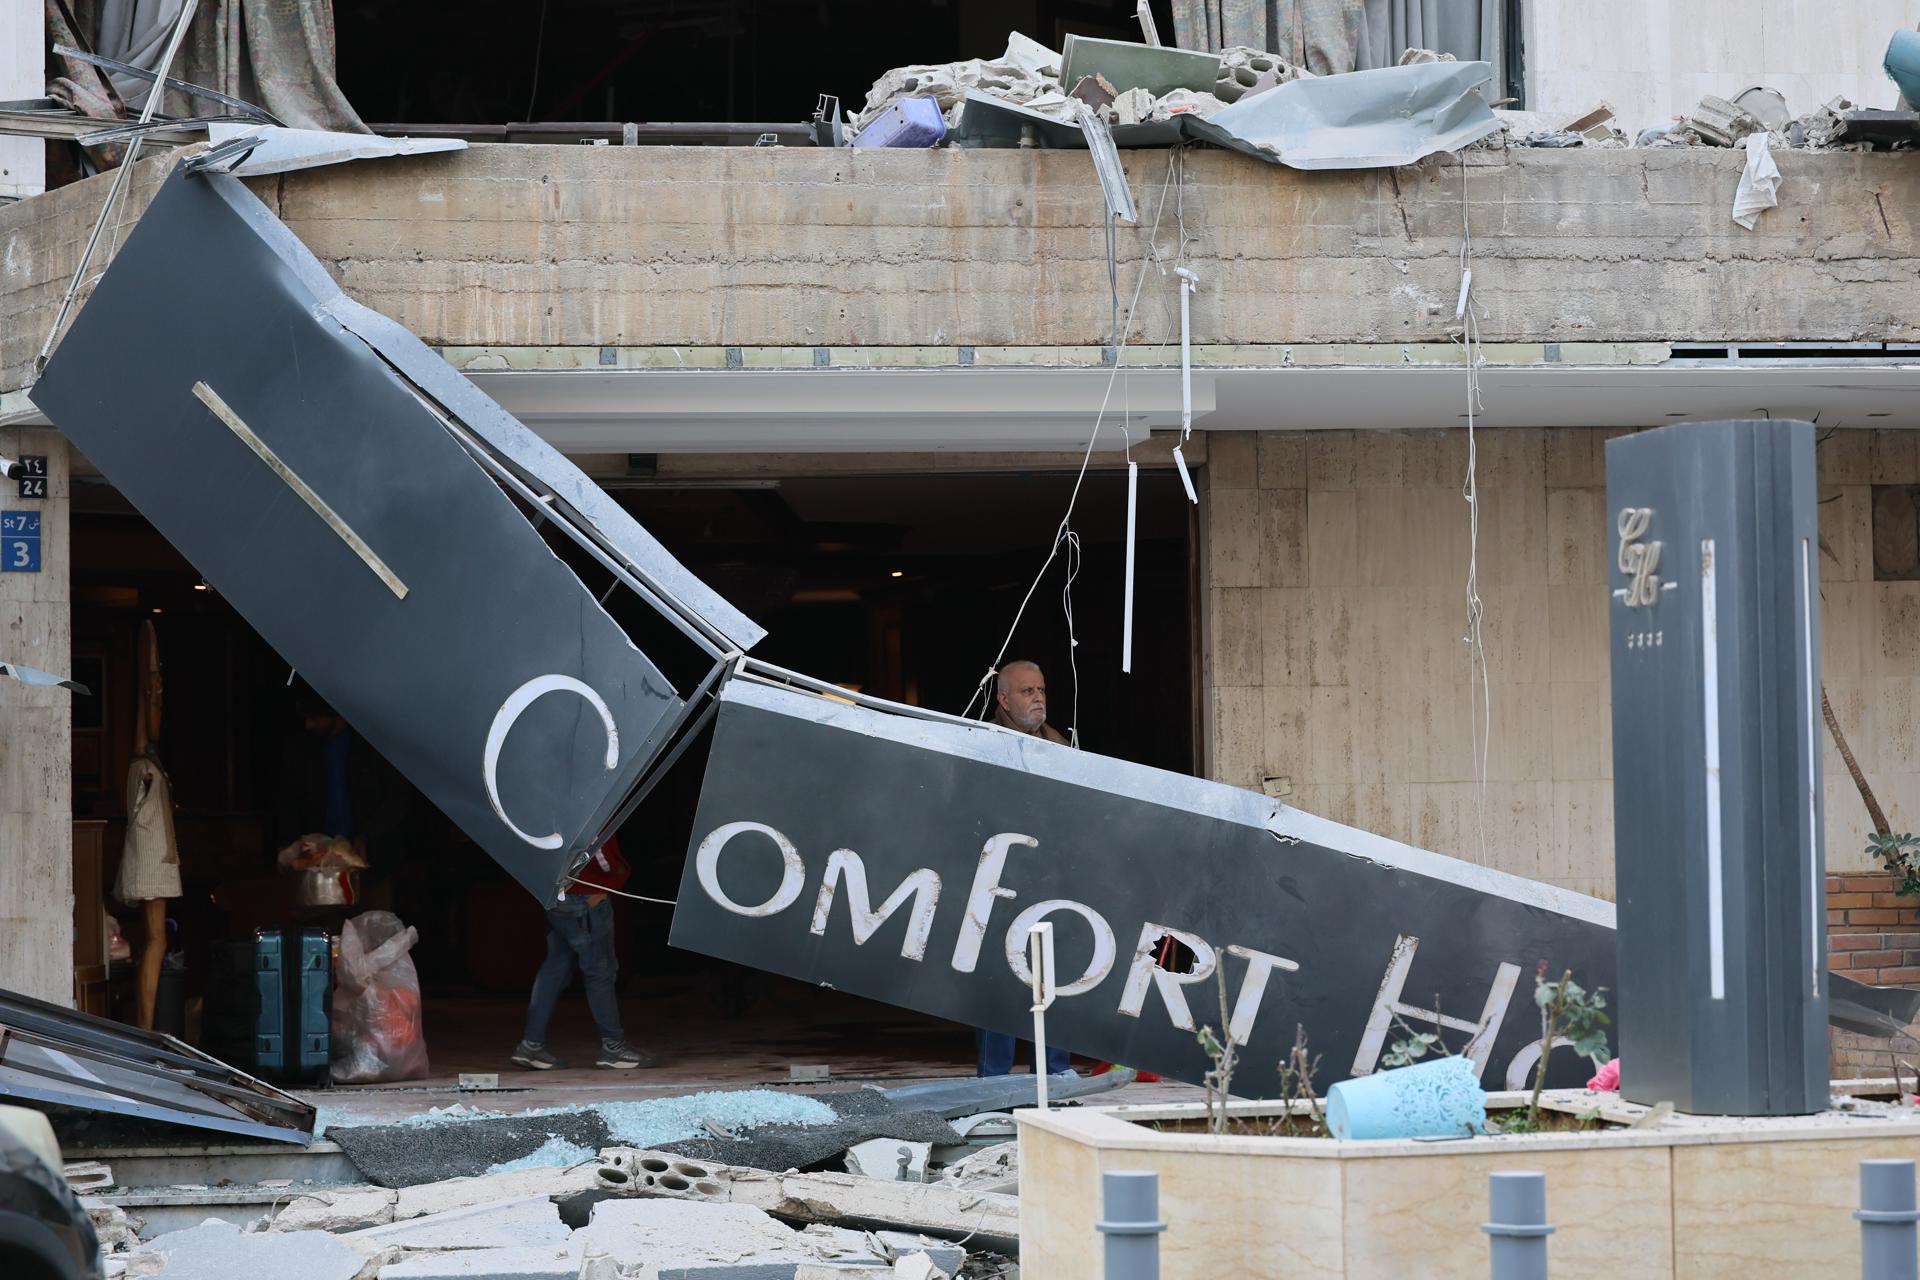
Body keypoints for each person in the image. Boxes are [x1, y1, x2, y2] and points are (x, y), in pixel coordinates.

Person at [977, 660, 1073, 1077]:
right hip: (997, 879)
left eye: (1041, 690)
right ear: (1003, 699)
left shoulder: (1064, 750)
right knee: (997, 982)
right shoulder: (981, 743)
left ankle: (1054, 1078)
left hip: (1051, 879)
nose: (1038, 698)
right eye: (1027, 691)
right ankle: (992, 1084)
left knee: (1053, 976)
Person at [511, 834, 656, 1070]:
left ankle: (531, 1044)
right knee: (600, 971)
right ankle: (613, 1046)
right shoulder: (587, 810)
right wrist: (617, 873)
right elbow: (598, 852)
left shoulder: (547, 813)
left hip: (556, 894)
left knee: (555, 967)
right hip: (585, 894)